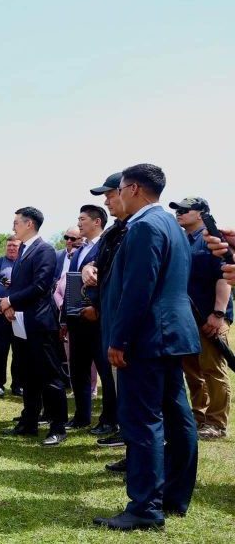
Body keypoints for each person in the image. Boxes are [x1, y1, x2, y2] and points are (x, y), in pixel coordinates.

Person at [93, 163, 200, 531]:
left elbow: (138, 288)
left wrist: (120, 339)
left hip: (146, 337)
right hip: (170, 334)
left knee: (142, 422)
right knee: (176, 416)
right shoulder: (171, 224)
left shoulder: (143, 226)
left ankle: (145, 507)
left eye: (119, 189)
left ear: (134, 188)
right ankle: (174, 496)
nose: (117, 196)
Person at [0, 206, 68, 447]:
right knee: (27, 376)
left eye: (17, 222)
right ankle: (28, 422)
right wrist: (10, 306)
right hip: (21, 322)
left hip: (40, 323)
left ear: (29, 224)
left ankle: (57, 426)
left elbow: (40, 286)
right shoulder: (23, 251)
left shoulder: (45, 250)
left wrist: (10, 301)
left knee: (50, 376)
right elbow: (19, 285)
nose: (13, 226)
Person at [171, 197, 233, 440]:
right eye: (178, 210)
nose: (180, 214)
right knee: (192, 371)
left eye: (185, 210)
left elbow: (224, 276)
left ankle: (217, 423)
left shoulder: (213, 238)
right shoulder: (183, 240)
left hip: (209, 315)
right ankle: (198, 417)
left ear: (201, 213)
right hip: (186, 318)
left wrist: (218, 313)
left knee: (212, 369)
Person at [84, 172, 130, 462]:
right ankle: (131, 446)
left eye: (111, 194)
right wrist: (90, 265)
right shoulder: (117, 230)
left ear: (131, 191)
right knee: (124, 390)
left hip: (130, 328)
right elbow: (98, 260)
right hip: (112, 320)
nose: (107, 200)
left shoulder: (143, 228)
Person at [63, 205, 118, 436]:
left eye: (82, 219)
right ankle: (82, 416)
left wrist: (97, 308)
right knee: (78, 369)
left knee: (105, 372)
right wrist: (69, 314)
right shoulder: (79, 250)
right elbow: (74, 282)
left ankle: (109, 419)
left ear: (97, 222)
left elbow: (110, 281)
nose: (79, 223)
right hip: (78, 320)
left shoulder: (108, 246)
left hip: (99, 319)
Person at [0, 236, 23, 396]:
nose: (11, 248)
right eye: (9, 245)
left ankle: (18, 385)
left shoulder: (24, 263)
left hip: (19, 315)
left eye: (15, 246)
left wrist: (15, 307)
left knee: (19, 352)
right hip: (0, 315)